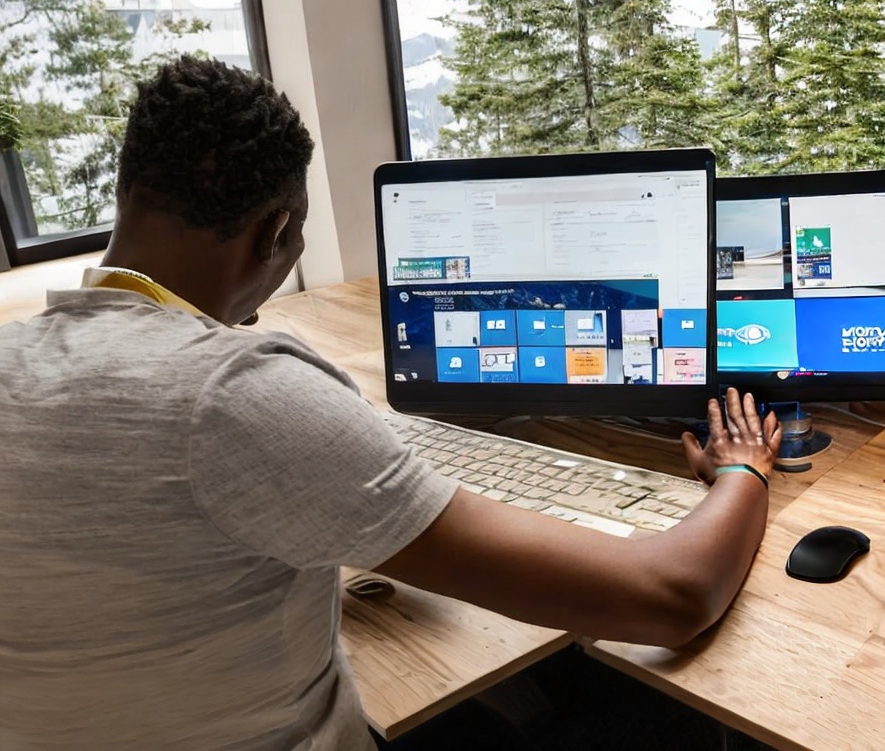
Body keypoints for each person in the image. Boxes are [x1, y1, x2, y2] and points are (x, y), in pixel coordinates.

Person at [0, 56, 781, 751]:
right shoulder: (240, 395)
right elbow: (672, 597)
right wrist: (744, 471)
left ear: (130, 191)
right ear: (275, 232)